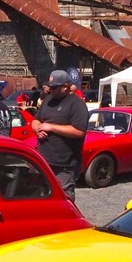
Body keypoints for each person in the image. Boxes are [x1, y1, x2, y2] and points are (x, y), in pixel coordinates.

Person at [30, 70, 88, 201]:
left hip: (64, 165)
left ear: (65, 87)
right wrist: (37, 129)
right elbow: (35, 120)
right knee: (39, 197)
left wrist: (52, 127)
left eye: (54, 87)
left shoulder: (76, 104)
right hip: (43, 160)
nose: (51, 90)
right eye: (50, 86)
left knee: (63, 199)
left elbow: (79, 131)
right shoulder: (48, 100)